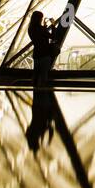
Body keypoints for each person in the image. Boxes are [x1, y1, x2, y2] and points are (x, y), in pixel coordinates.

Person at [26, 10, 60, 152]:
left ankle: (38, 95)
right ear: (39, 19)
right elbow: (52, 36)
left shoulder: (31, 29)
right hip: (45, 55)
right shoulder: (40, 28)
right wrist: (52, 25)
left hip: (37, 55)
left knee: (37, 78)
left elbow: (48, 128)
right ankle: (41, 96)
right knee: (43, 79)